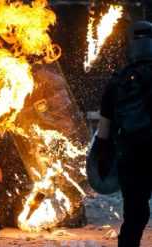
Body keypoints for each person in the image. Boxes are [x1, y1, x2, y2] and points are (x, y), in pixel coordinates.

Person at [96, 20, 152, 247]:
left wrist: (102, 158)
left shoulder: (117, 83)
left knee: (135, 215)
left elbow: (104, 131)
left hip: (133, 157)